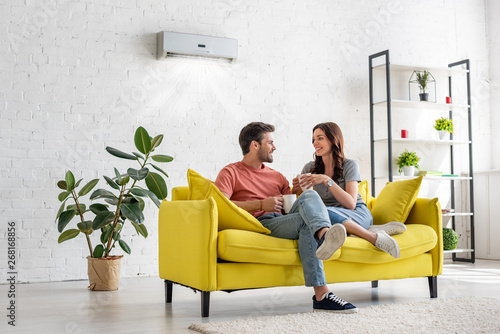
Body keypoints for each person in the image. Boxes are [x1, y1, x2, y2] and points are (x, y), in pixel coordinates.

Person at [215, 122, 357, 313]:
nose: (275, 147)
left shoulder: (277, 176)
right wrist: (259, 204)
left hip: (284, 220)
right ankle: (324, 246)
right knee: (307, 219)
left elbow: (293, 205)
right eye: (270, 142)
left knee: (310, 197)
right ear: (255, 145)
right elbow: (219, 205)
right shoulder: (230, 172)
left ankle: (322, 288)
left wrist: (298, 189)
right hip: (261, 223)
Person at [294, 122, 406, 259]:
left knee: (322, 212)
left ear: (333, 139)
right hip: (329, 219)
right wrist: (296, 189)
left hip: (357, 213)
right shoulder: (309, 168)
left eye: (320, 138)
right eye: (313, 139)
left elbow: (351, 204)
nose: (315, 143)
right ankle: (363, 231)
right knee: (311, 215)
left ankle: (373, 237)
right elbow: (303, 202)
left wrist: (326, 180)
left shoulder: (349, 165)